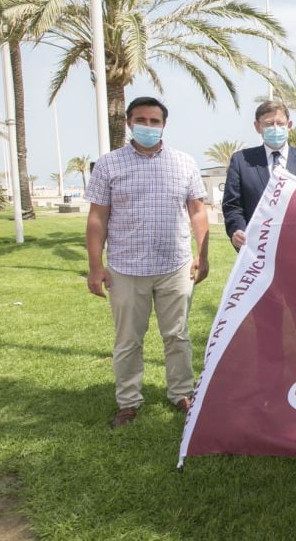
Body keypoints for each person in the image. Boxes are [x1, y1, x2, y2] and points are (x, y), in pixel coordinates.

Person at [85, 96, 209, 429]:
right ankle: (128, 402)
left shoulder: (184, 163)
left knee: (178, 335)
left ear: (164, 125)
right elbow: (97, 217)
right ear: (129, 123)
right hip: (126, 268)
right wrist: (96, 266)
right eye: (142, 120)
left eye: (155, 121)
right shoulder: (108, 165)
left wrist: (203, 253)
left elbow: (197, 210)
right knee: (127, 340)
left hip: (175, 266)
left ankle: (182, 394)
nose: (148, 127)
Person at [223, 100, 296, 251]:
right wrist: (237, 230)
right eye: (268, 124)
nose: (275, 128)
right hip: (256, 252)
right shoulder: (241, 161)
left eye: (280, 123)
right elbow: (232, 206)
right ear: (257, 127)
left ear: (289, 125)